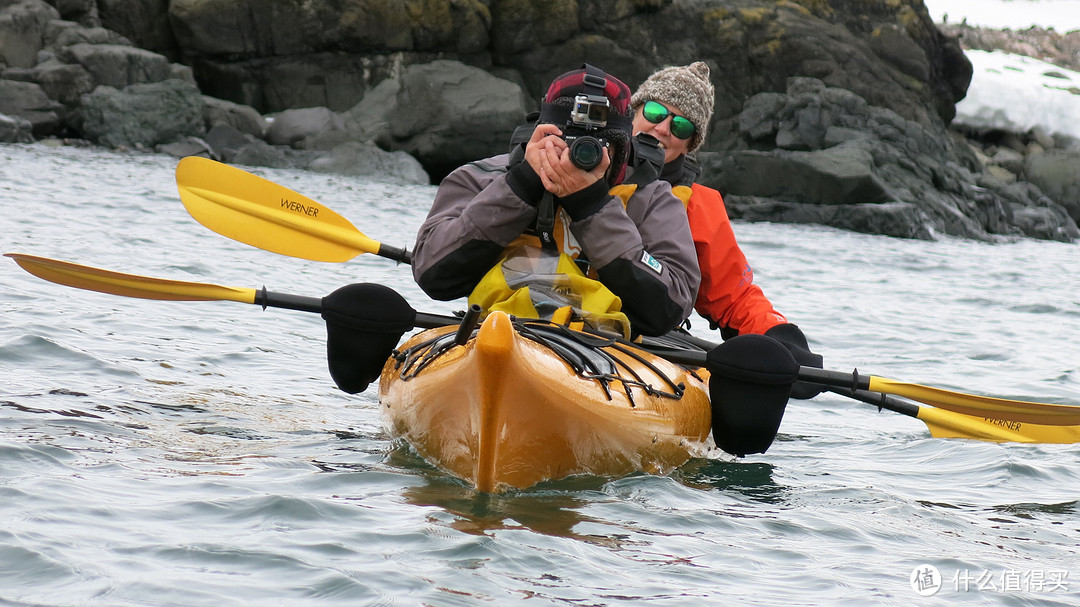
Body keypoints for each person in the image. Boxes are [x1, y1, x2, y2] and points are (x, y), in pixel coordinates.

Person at [411, 64, 700, 338]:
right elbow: (432, 273)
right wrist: (523, 185)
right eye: (566, 138)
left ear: (622, 151)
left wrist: (591, 204)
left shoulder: (652, 199)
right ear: (541, 132)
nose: (579, 155)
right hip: (494, 329)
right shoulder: (482, 178)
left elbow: (670, 307)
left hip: (601, 346)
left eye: (600, 146)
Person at [629, 61, 824, 398]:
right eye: (656, 111)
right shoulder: (580, 160)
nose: (663, 128)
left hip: (646, 338)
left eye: (681, 126)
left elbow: (733, 298)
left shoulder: (698, 206)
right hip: (555, 321)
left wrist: (778, 334)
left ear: (691, 145)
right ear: (634, 110)